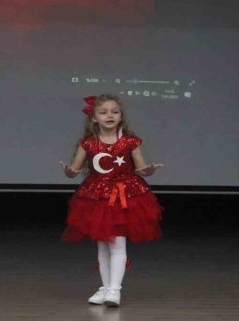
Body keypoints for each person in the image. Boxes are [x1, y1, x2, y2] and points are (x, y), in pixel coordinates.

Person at [59, 94, 164, 307]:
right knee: (103, 246)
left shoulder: (130, 141)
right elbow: (74, 170)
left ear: (121, 116)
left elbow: (141, 169)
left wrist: (149, 170)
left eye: (115, 112)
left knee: (117, 242)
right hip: (97, 198)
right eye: (104, 112)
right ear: (94, 118)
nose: (110, 115)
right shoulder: (88, 143)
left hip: (124, 197)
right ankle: (106, 287)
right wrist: (69, 172)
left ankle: (115, 289)